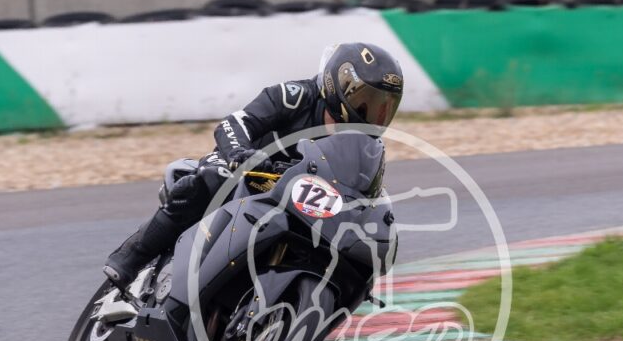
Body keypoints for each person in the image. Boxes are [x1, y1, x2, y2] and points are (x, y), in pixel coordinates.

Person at [103, 42, 405, 289]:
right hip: (247, 170)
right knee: (214, 177)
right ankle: (132, 255)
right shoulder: (296, 96)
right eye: (368, 101)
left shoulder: (367, 147)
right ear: (340, 84)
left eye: (385, 107)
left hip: (294, 194)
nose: (375, 114)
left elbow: (361, 189)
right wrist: (239, 152)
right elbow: (234, 123)